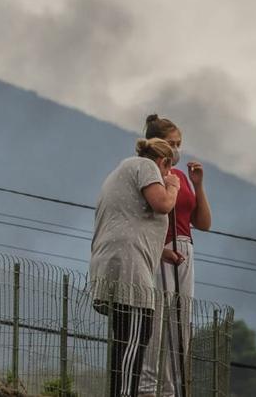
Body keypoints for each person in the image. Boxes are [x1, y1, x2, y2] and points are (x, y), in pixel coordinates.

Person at [90, 138, 181, 397]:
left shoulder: (123, 169)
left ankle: (121, 391)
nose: (167, 176)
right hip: (130, 267)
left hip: (115, 259)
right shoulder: (147, 167)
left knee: (124, 340)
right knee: (136, 336)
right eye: (168, 170)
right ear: (163, 162)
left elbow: (129, 220)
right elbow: (162, 204)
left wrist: (161, 252)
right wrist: (172, 188)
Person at [139, 115, 212, 397]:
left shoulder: (180, 177)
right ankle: (147, 389)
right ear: (157, 144)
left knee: (181, 322)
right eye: (171, 144)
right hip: (161, 248)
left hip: (185, 247)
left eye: (179, 144)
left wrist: (198, 184)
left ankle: (172, 390)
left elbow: (203, 223)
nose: (176, 149)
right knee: (157, 320)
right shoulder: (148, 172)